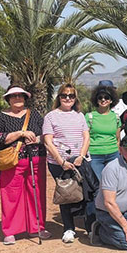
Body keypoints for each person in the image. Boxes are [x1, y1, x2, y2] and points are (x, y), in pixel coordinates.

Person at [0, 85, 49, 245]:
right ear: (8, 99)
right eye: (14, 96)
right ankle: (10, 231)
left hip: (36, 159)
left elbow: (45, 134)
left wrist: (36, 139)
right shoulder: (2, 117)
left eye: (20, 96)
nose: (17, 98)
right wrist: (20, 134)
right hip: (11, 162)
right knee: (11, 195)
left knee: (36, 193)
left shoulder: (34, 115)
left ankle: (37, 227)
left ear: (25, 98)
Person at [43, 84, 92, 243]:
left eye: (71, 95)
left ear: (75, 98)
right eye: (64, 95)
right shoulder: (50, 116)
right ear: (59, 97)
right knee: (66, 194)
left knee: (85, 194)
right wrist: (61, 161)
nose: (67, 98)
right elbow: (48, 142)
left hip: (79, 161)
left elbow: (86, 137)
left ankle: (90, 228)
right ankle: (68, 229)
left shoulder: (79, 115)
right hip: (59, 163)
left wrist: (81, 156)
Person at [86, 82, 121, 232]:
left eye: (106, 97)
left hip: (113, 154)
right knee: (99, 188)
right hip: (95, 156)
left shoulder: (116, 117)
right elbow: (86, 138)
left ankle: (112, 220)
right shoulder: (90, 117)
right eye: (100, 97)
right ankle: (95, 223)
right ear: (96, 99)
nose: (103, 100)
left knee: (113, 188)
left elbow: (117, 138)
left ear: (111, 100)